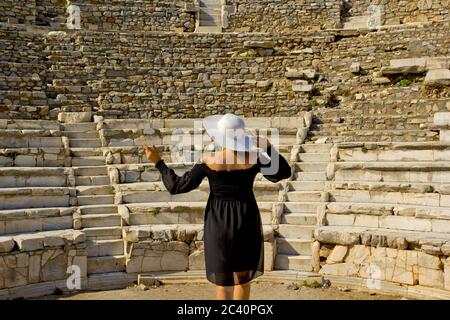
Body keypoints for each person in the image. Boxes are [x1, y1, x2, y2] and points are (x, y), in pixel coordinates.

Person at [143, 113, 292, 300]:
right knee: (243, 279)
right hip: (247, 218)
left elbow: (176, 186)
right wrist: (269, 147)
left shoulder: (209, 160)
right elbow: (284, 172)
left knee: (224, 283)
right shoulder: (254, 158)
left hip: (218, 222)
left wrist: (159, 162)